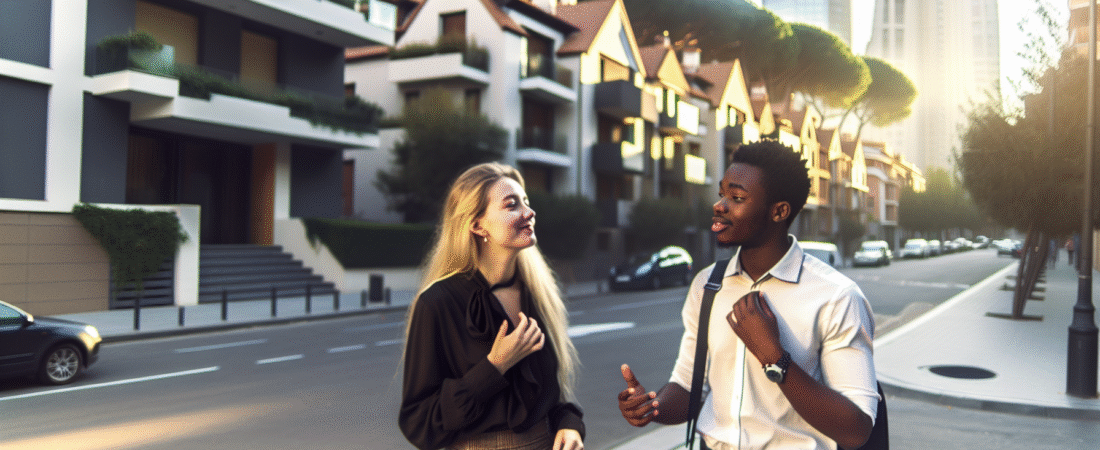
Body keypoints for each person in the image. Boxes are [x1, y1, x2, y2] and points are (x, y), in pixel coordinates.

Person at [617, 140, 879, 450]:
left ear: (779, 211)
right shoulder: (707, 285)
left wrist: (774, 357)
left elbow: (855, 429)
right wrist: (652, 407)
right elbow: (688, 387)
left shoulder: (837, 297)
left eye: (737, 197)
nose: (720, 205)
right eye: (722, 194)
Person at [399, 162, 585, 450]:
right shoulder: (437, 303)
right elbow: (419, 423)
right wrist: (495, 366)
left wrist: (569, 425)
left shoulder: (538, 294)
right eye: (512, 205)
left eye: (526, 202)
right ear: (477, 225)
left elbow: (550, 398)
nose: (529, 212)